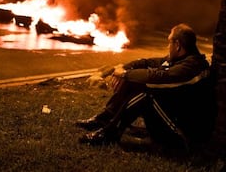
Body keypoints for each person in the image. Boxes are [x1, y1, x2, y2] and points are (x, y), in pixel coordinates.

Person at [76, 23, 216, 149]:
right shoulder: (182, 59)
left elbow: (159, 77)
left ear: (178, 45)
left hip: (185, 134)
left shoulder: (191, 66)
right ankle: (103, 119)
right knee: (136, 79)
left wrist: (125, 74)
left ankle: (109, 134)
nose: (168, 47)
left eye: (169, 43)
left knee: (146, 94)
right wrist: (123, 69)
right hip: (175, 118)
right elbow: (146, 63)